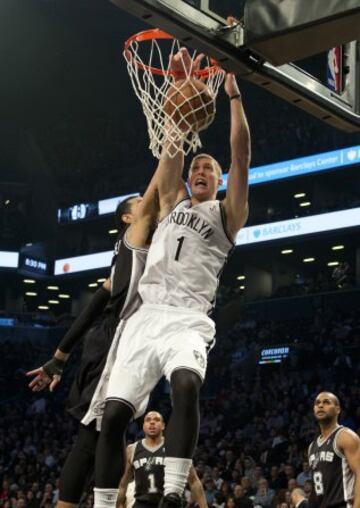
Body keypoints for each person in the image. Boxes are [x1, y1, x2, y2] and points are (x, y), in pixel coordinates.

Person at [93, 48, 250, 508]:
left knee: (185, 386)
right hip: (146, 316)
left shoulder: (227, 214)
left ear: (218, 182)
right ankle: (103, 504)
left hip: (187, 319)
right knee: (114, 416)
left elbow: (240, 155)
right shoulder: (171, 201)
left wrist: (234, 96)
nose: (201, 170)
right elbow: (170, 151)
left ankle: (175, 492)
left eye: (209, 169)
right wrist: (176, 104)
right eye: (197, 167)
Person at [26, 172, 160, 508]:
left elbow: (94, 305)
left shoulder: (128, 257)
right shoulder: (134, 237)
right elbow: (157, 191)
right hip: (115, 339)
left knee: (110, 429)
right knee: (95, 433)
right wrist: (170, 143)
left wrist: (60, 355)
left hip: (124, 339)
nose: (147, 204)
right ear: (129, 219)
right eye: (140, 204)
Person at [117, 411, 207, 508]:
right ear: (143, 426)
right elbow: (123, 484)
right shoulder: (132, 449)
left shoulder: (175, 448)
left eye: (156, 420)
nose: (152, 422)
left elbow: (193, 481)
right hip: (141, 504)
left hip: (169, 504)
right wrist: (119, 504)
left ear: (163, 426)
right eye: (148, 420)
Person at [308, 392, 360, 508]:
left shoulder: (345, 436)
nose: (320, 405)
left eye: (326, 402)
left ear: (338, 409)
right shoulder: (312, 446)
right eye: (317, 403)